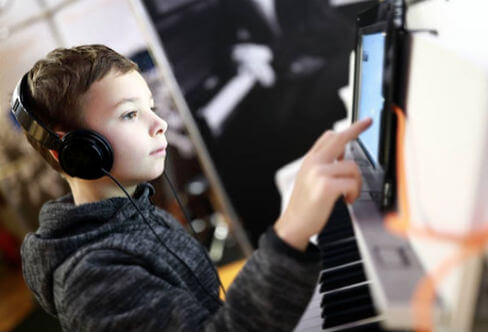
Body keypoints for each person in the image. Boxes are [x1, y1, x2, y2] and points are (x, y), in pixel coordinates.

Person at [16, 45, 372, 332]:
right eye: (129, 114)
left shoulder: (136, 214)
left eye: (150, 108)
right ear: (75, 151)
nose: (159, 124)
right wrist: (291, 232)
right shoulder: (92, 282)